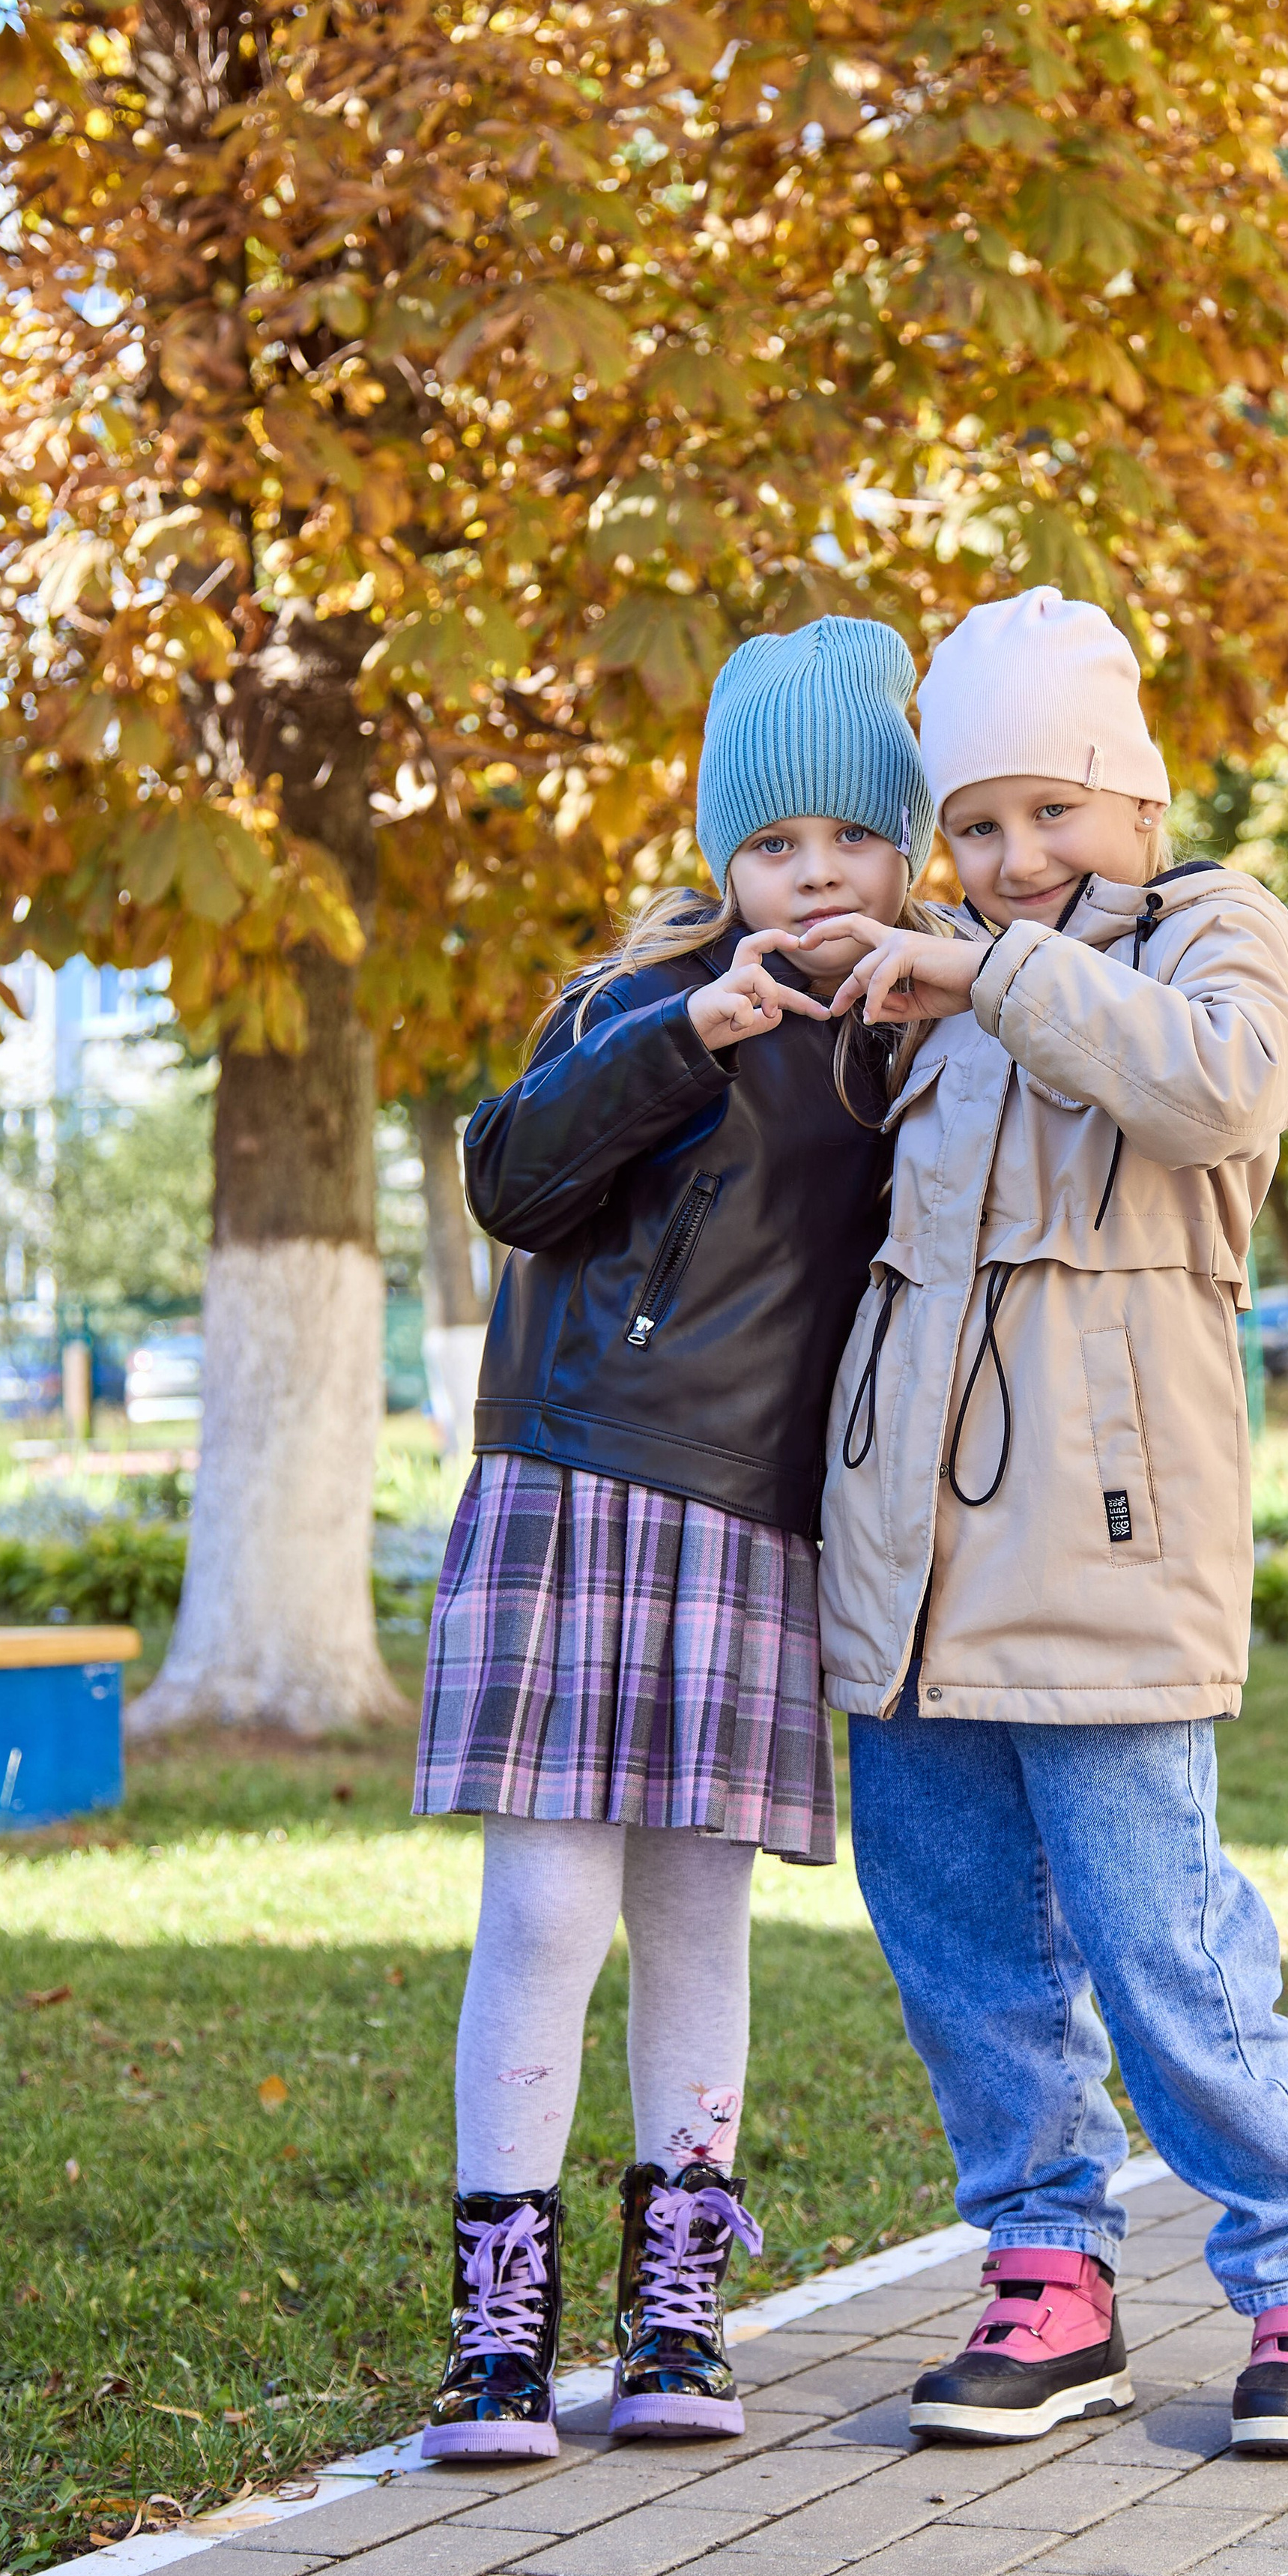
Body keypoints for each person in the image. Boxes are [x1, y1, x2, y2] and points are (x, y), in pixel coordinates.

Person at [811, 588, 1288, 2456]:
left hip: (1114, 1549)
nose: (1011, 855)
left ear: (1133, 797)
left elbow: (1220, 1088)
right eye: (973, 825)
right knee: (959, 1939)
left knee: (1162, 1936)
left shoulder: (1209, 928)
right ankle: (1047, 2277)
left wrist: (979, 968)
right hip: (915, 1569)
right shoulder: (936, 980)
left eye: (1049, 809)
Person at [412, 615, 935, 2460]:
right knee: (547, 1906)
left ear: (906, 842)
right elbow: (510, 1180)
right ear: (724, 854)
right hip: (572, 1486)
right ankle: (495, 2328)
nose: (812, 876)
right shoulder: (623, 999)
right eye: (775, 843)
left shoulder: (915, 1029)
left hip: (747, 1521)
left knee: (694, 1912)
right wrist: (678, 1040)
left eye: (851, 839)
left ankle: (675, 2315)